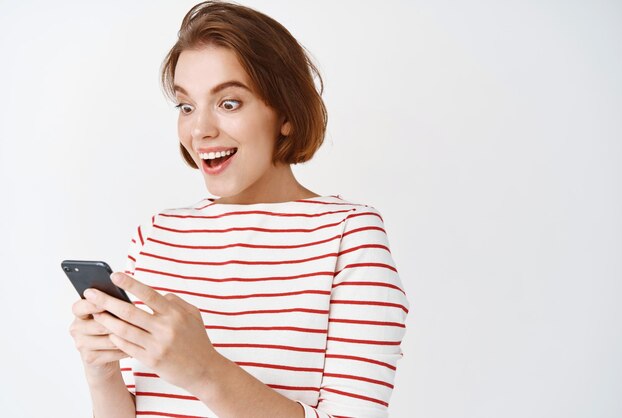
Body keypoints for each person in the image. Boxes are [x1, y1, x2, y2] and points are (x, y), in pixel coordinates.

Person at [68, 1, 409, 417]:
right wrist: (101, 374)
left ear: (284, 113)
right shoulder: (156, 235)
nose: (200, 130)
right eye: (186, 106)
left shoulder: (348, 235)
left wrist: (205, 371)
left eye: (228, 103)